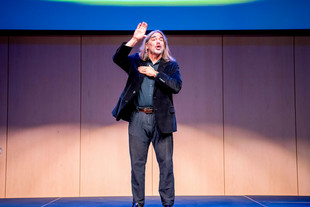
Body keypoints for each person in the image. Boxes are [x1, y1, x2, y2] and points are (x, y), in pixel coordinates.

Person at [112, 22, 182, 207]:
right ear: (148, 45)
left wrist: (155, 73)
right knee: (137, 164)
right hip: (138, 118)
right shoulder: (136, 61)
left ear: (164, 46)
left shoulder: (170, 66)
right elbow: (118, 58)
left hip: (162, 120)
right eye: (154, 39)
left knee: (166, 164)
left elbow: (176, 86)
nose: (158, 41)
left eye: (161, 40)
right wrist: (134, 39)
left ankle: (167, 203)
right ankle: (138, 202)